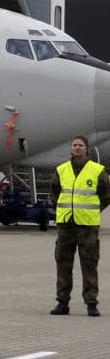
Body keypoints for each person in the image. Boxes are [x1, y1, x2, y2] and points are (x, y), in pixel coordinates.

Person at [49, 134, 110, 316]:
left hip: (88, 226)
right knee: (63, 262)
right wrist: (64, 207)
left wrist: (92, 211)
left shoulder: (97, 170)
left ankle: (91, 302)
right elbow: (55, 192)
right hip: (66, 224)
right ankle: (62, 302)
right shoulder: (62, 170)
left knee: (89, 263)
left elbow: (106, 195)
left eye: (80, 145)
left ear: (86, 149)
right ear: (71, 148)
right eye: (74, 145)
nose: (77, 148)